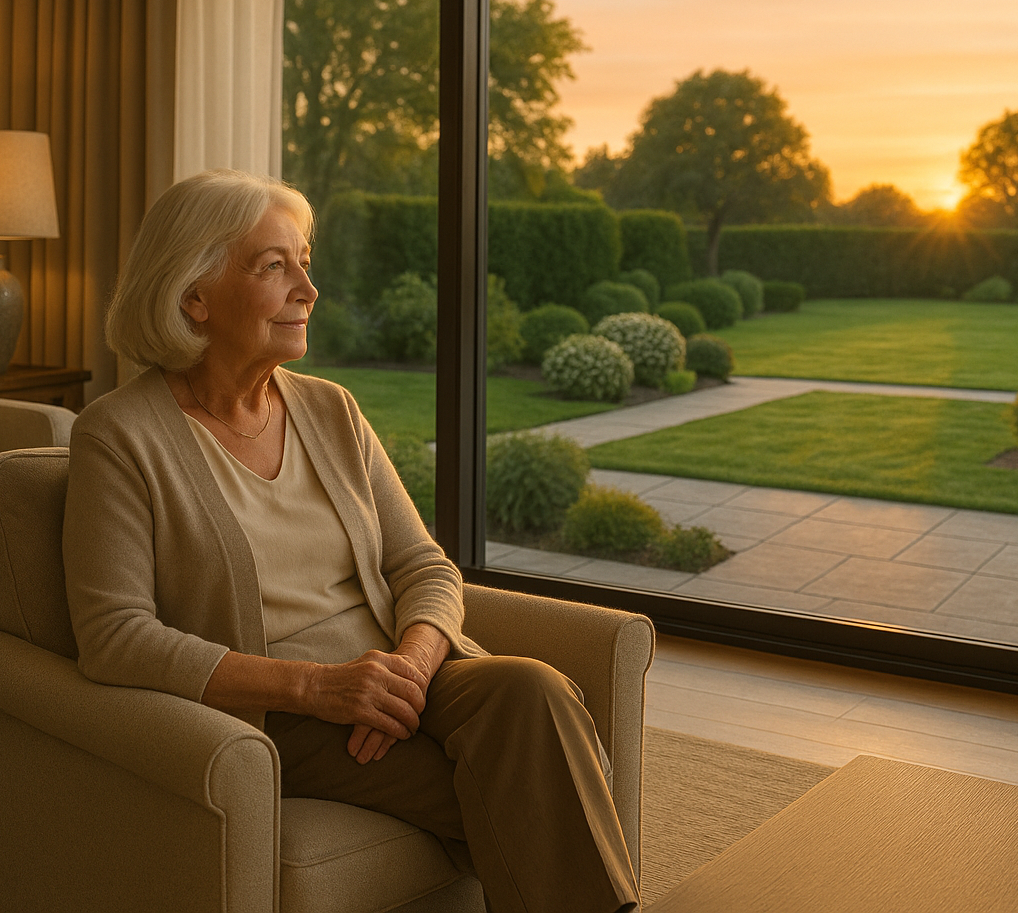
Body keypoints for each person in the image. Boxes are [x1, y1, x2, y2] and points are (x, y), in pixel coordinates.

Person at [62, 168, 639, 913]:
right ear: (192, 295)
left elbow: (423, 565)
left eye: (306, 262)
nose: (307, 288)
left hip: (398, 675)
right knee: (528, 787)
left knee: (533, 687)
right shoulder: (118, 435)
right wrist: (321, 689)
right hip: (284, 713)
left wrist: (409, 667)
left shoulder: (331, 410)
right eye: (275, 266)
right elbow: (114, 637)